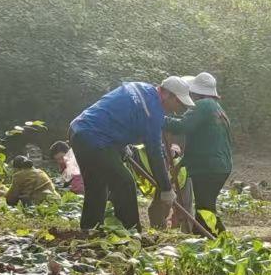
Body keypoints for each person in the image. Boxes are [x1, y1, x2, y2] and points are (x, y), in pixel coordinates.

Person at [68, 76, 194, 230]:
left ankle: (90, 229)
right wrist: (166, 189)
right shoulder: (153, 111)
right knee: (125, 183)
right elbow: (154, 153)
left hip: (79, 130)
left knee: (97, 185)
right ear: (168, 94)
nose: (177, 109)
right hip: (94, 137)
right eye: (178, 103)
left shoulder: (140, 87)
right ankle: (132, 230)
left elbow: (116, 114)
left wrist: (121, 145)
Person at [165, 71, 234, 231]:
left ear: (195, 92)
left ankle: (207, 237)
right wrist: (181, 164)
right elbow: (202, 143)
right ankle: (212, 237)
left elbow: (183, 126)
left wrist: (160, 120)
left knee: (204, 210)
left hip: (208, 167)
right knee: (206, 208)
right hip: (220, 166)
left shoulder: (203, 105)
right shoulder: (216, 108)